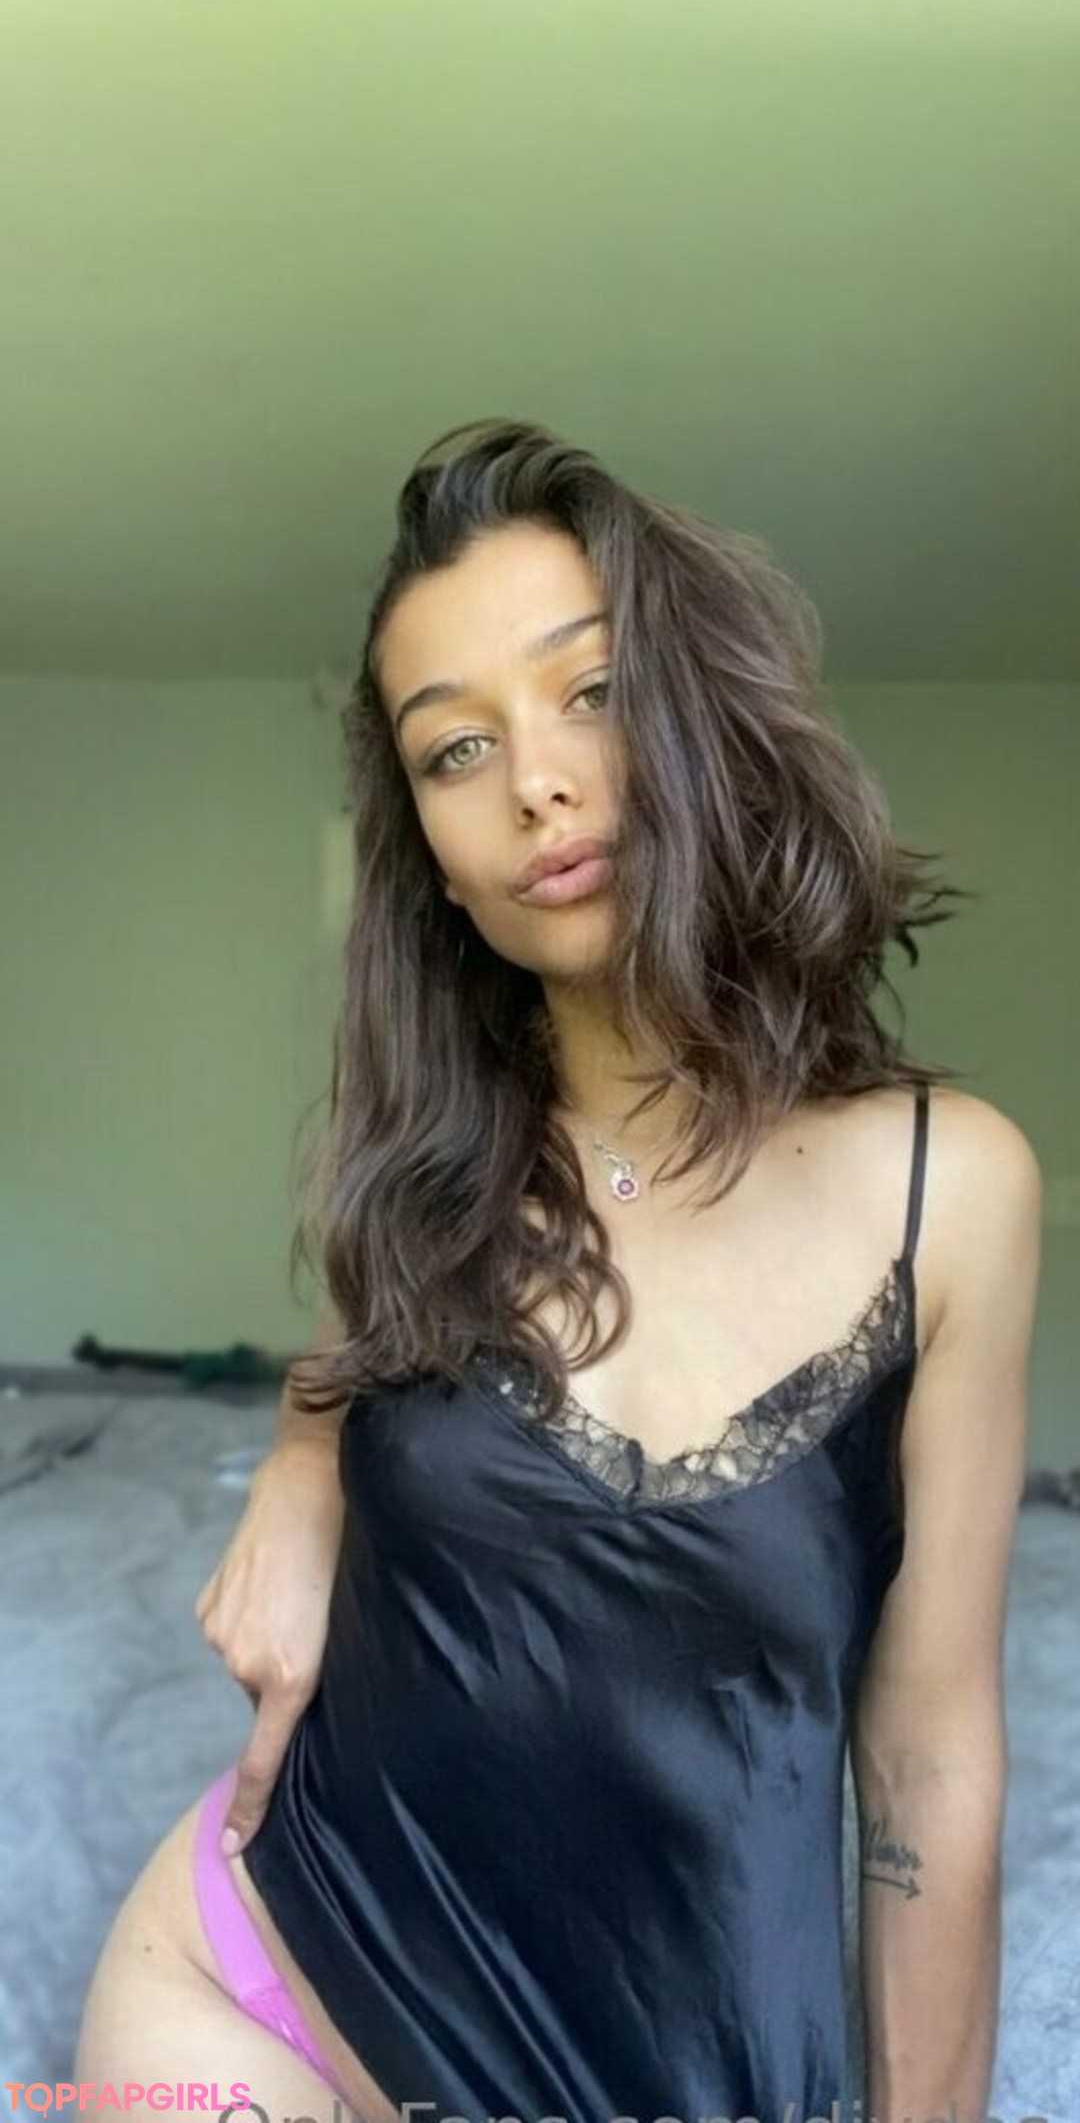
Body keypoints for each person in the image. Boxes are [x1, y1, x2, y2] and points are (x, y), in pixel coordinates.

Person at [75, 419, 1043, 2123]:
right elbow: (351, 1339)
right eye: (456, 749)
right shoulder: (425, 1165)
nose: (534, 780)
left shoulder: (946, 1192)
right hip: (260, 1985)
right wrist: (301, 1464)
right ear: (436, 864)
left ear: (699, 714)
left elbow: (932, 1756)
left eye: (589, 691)